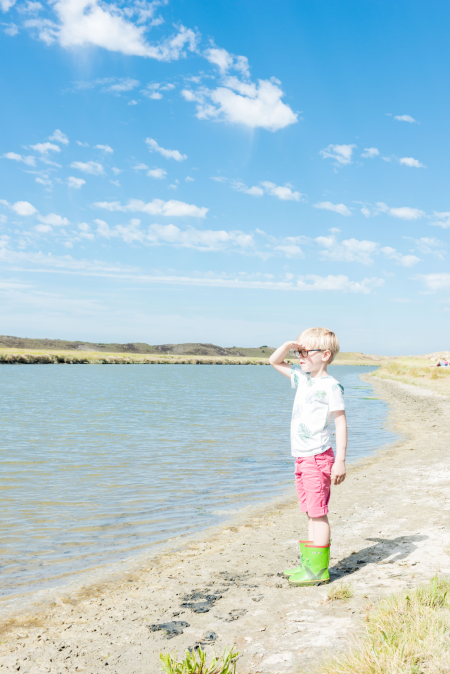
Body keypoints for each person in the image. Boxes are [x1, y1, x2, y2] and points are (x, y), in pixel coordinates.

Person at [269, 327, 347, 586]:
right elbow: (273, 361)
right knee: (309, 511)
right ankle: (309, 564)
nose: (299, 357)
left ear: (325, 355)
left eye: (305, 352)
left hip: (318, 457)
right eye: (298, 352)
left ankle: (318, 571)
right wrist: (288, 345)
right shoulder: (302, 379)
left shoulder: (331, 386)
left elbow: (340, 424)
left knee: (318, 512)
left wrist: (340, 461)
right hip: (301, 458)